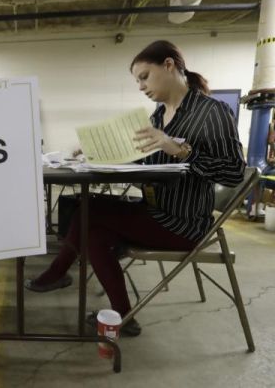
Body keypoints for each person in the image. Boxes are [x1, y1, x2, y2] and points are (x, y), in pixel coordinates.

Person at [25, 40, 246, 336]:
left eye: (144, 76)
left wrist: (181, 151)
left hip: (184, 222)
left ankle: (58, 274)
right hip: (156, 209)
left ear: (169, 65)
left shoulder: (211, 112)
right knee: (92, 229)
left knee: (88, 210)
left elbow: (233, 172)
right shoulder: (158, 115)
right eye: (137, 80)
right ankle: (122, 316)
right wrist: (98, 152)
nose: (140, 86)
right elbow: (148, 162)